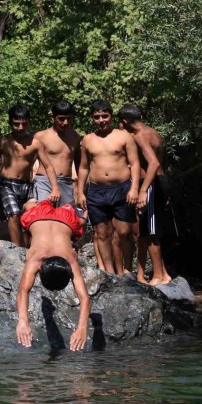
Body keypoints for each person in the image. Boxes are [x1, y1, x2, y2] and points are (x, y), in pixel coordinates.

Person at [15, 198, 90, 351]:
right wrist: (22, 321)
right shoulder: (48, 259)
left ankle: (78, 213)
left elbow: (23, 291)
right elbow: (85, 298)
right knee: (28, 209)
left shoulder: (67, 258)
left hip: (65, 219)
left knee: (80, 223)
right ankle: (32, 204)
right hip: (40, 217)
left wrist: (24, 320)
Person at [77, 100, 140, 275]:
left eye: (105, 116)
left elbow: (135, 163)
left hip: (122, 188)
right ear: (92, 118)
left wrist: (134, 188)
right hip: (97, 191)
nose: (101, 120)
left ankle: (128, 270)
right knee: (101, 232)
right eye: (97, 117)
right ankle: (109, 273)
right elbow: (83, 167)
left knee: (125, 231)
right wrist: (80, 192)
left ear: (111, 116)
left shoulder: (124, 136)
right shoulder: (87, 140)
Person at [0, 104, 60, 247]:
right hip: (6, 184)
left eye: (24, 124)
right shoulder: (3, 141)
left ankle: (28, 249)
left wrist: (55, 188)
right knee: (14, 215)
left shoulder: (35, 143)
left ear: (29, 122)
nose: (20, 128)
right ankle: (16, 250)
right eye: (16, 124)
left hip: (26, 185)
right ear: (10, 122)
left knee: (31, 216)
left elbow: (48, 166)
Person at [117, 104, 173, 285]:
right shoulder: (152, 131)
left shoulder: (140, 135)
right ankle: (161, 273)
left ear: (125, 121)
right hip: (157, 183)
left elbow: (154, 163)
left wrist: (143, 191)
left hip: (152, 185)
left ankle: (159, 276)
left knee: (150, 232)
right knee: (144, 232)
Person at [33, 100, 81, 206]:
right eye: (61, 119)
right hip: (44, 182)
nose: (65, 122)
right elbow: (28, 161)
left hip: (66, 182)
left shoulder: (75, 136)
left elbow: (79, 161)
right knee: (44, 213)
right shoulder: (40, 136)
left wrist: (81, 187)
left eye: (69, 118)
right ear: (53, 118)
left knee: (66, 215)